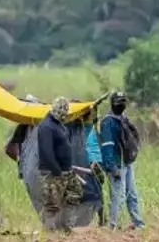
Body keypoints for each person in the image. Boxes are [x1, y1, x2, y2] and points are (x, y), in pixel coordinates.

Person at [99, 91, 145, 230]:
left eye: (123, 102)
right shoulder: (108, 122)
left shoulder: (123, 118)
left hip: (127, 161)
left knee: (132, 194)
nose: (121, 105)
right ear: (113, 104)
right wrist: (112, 167)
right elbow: (107, 147)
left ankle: (138, 224)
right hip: (117, 163)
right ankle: (114, 226)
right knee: (118, 197)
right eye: (119, 102)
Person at [36, 97, 82, 231]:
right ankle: (49, 231)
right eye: (63, 112)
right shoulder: (46, 126)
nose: (65, 115)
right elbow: (46, 152)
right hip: (52, 172)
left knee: (74, 194)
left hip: (66, 171)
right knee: (52, 202)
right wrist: (57, 171)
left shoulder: (59, 124)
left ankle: (65, 226)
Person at [84, 105, 107, 226]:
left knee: (93, 191)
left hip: (93, 163)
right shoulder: (93, 127)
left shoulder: (84, 129)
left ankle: (101, 218)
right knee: (97, 191)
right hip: (98, 162)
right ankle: (101, 218)